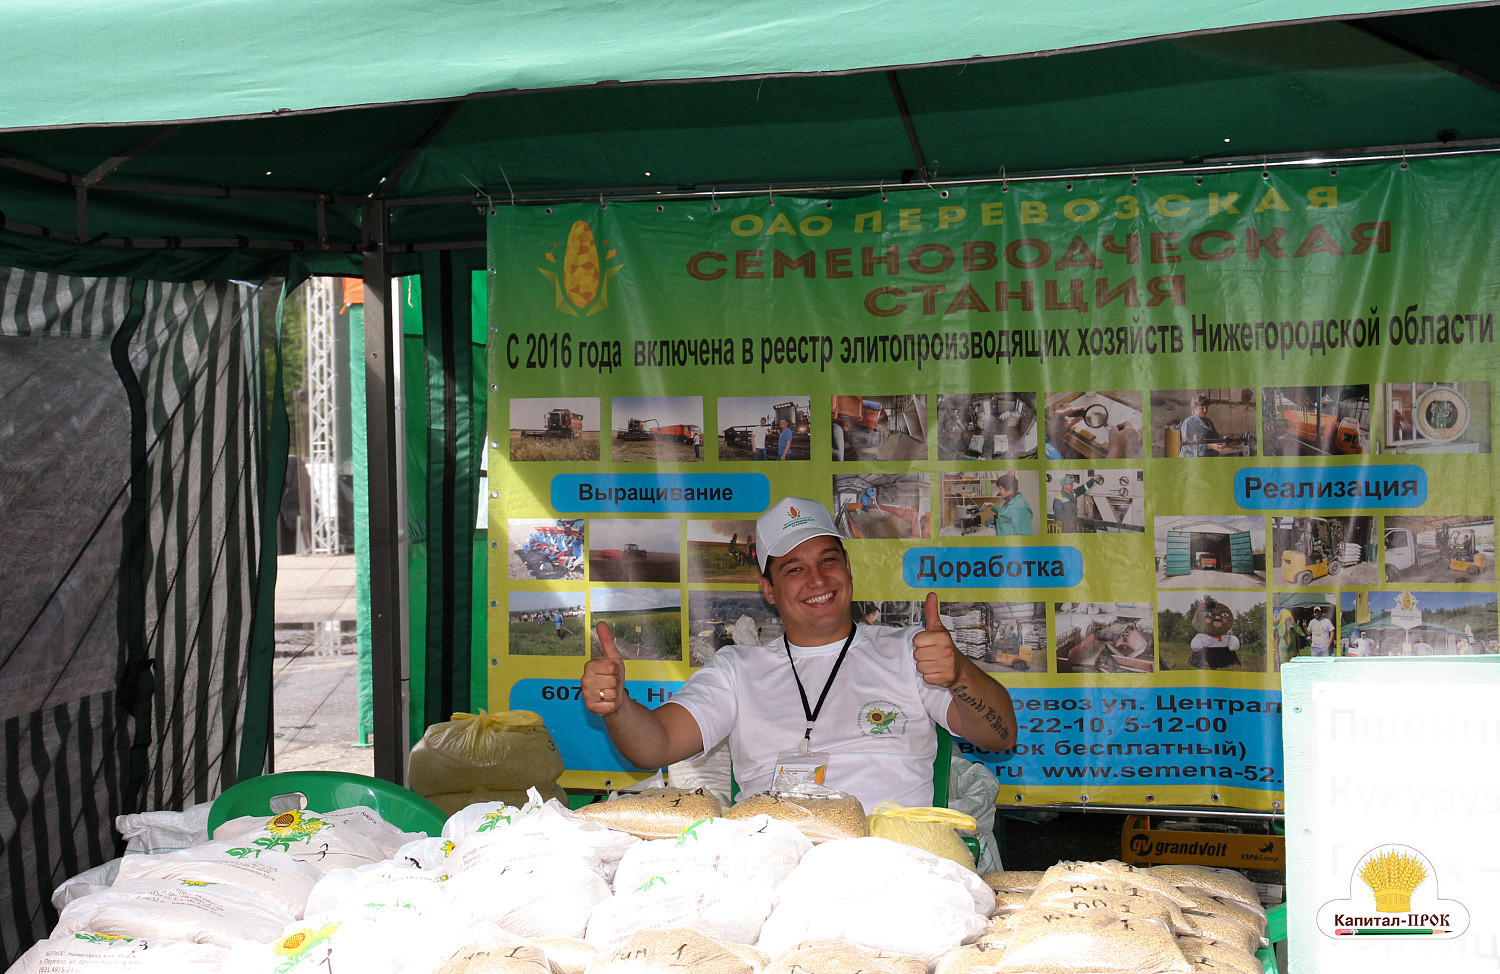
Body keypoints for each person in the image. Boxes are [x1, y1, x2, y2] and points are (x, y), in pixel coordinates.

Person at [581, 497, 1018, 811]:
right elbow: (655, 745)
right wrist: (617, 708)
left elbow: (999, 736)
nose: (817, 579)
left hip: (890, 864)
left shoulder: (907, 650)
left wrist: (960, 673)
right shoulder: (738, 669)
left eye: (828, 560)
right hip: (773, 866)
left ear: (848, 568)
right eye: (794, 569)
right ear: (768, 590)